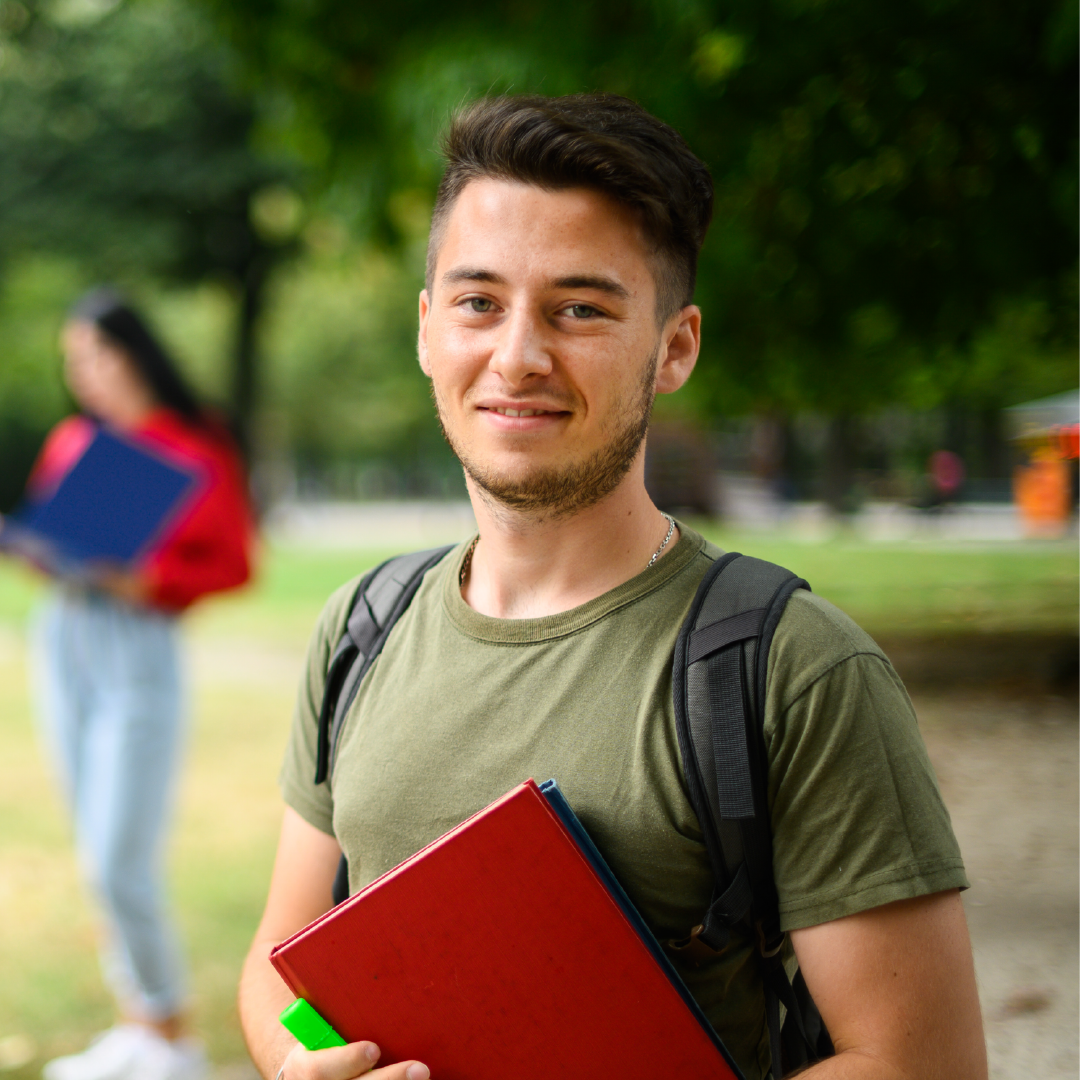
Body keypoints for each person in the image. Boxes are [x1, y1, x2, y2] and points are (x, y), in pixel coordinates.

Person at [238, 95, 987, 1080]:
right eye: (478, 302)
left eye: (580, 308)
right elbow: (277, 970)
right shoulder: (363, 629)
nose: (518, 356)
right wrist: (304, 1065)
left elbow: (919, 1064)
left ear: (674, 347)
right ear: (428, 332)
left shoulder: (792, 666)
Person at [6, 290, 255, 1080]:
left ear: (134, 354)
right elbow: (56, 536)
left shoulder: (192, 443)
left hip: (139, 646)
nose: (81, 375)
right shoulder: (75, 439)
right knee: (92, 850)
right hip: (63, 641)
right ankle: (139, 1027)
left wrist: (148, 581)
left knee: (119, 855)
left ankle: (173, 1040)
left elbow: (233, 564)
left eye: (94, 356)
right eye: (71, 361)